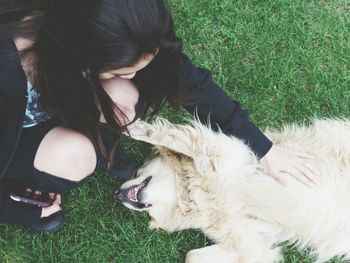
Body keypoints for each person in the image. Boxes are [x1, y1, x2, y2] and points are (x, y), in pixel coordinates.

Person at [0, 0, 318, 233]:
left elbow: (190, 83)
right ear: (82, 56)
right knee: (75, 158)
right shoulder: (9, 56)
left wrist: (265, 149)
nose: (138, 75)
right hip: (11, 131)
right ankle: (34, 170)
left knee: (124, 98)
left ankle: (100, 147)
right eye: (125, 69)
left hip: (62, 92)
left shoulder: (116, 21)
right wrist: (13, 207)